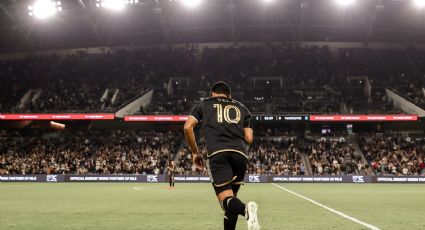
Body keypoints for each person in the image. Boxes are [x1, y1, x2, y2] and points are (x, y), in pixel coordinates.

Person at [183, 81, 260, 230]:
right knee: (231, 202)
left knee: (225, 200)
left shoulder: (203, 104)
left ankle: (247, 210)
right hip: (240, 155)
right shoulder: (243, 108)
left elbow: (187, 127)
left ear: (212, 94)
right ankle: (243, 210)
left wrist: (195, 152)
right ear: (229, 96)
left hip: (218, 154)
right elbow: (249, 138)